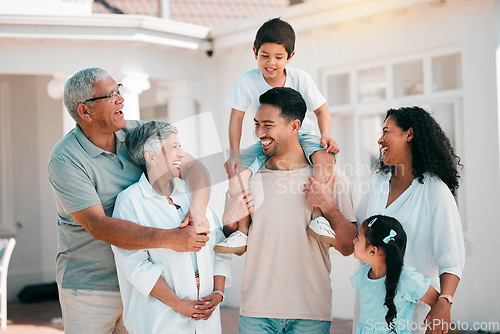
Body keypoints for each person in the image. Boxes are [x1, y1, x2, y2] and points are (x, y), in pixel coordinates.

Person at [47, 68, 211, 333]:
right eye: (110, 96)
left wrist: (198, 210)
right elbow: (98, 226)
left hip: (144, 282)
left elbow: (192, 167)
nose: (120, 99)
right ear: (84, 111)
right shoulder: (65, 159)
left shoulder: (136, 133)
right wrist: (171, 238)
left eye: (119, 90)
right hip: (91, 287)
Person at [223, 87, 357, 333]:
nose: (259, 133)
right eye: (256, 124)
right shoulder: (248, 177)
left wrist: (327, 204)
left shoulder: (331, 178)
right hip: (256, 314)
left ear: (295, 127)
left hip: (310, 314)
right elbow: (235, 241)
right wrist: (230, 220)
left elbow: (349, 247)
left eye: (268, 125)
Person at [215, 18, 340, 255]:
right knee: (236, 170)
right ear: (255, 52)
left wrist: (326, 137)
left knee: (325, 158)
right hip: (266, 136)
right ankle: (242, 231)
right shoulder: (246, 81)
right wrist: (233, 154)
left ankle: (318, 217)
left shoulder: (301, 79)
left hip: (304, 135)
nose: (271, 63)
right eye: (264, 55)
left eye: (278, 57)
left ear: (290, 57)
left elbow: (322, 110)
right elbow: (236, 119)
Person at [111, 121, 231, 334]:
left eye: (180, 146)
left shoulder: (191, 195)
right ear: (151, 156)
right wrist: (179, 304)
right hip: (160, 322)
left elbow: (218, 246)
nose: (181, 155)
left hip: (206, 321)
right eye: (173, 147)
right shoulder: (130, 202)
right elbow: (136, 267)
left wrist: (218, 292)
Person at [356, 106, 465, 334]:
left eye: (387, 131)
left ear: (409, 134)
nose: (380, 139)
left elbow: (451, 259)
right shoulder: (378, 181)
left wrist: (444, 302)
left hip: (413, 312)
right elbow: (359, 233)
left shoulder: (434, 191)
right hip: (370, 304)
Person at [352, 215, 439, 334]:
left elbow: (438, 302)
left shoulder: (405, 279)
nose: (354, 241)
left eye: (357, 237)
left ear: (373, 250)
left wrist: (434, 322)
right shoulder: (362, 275)